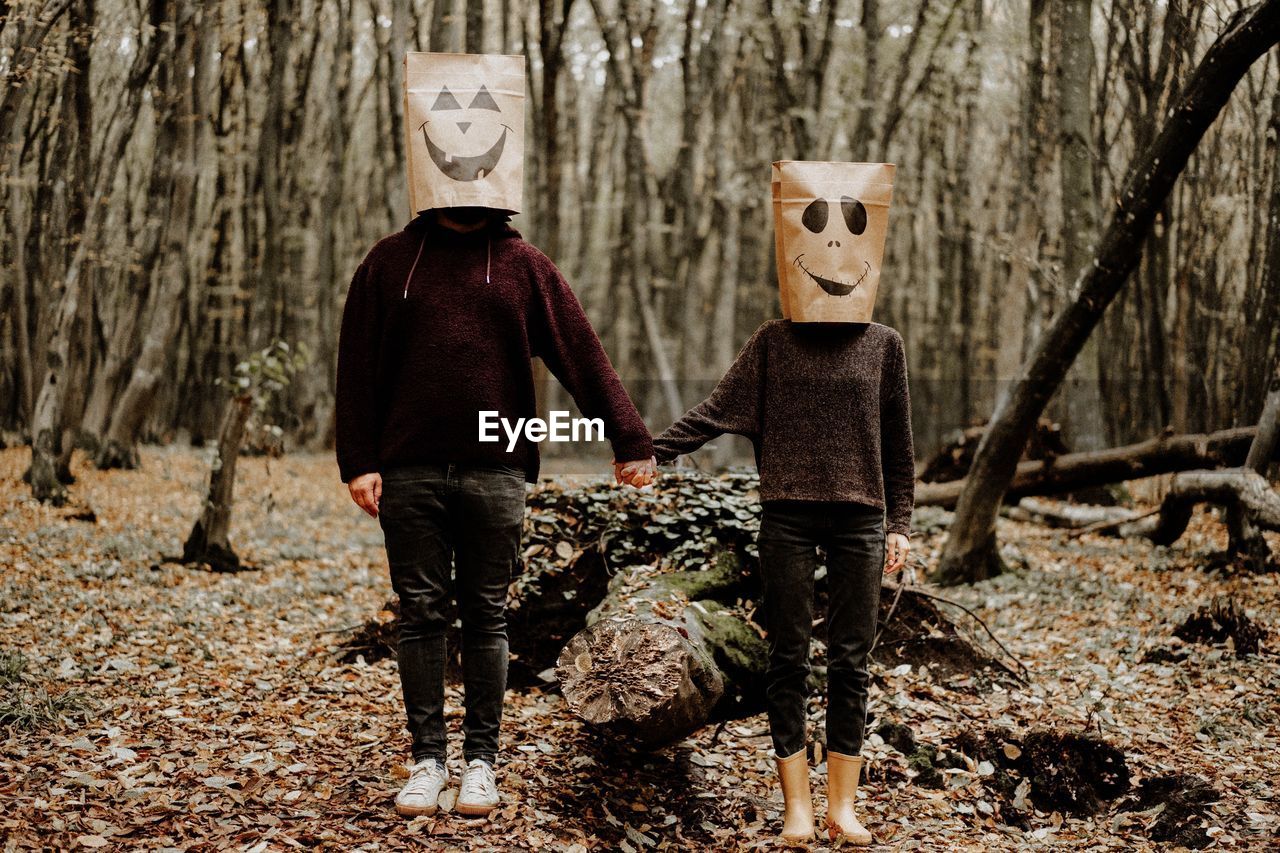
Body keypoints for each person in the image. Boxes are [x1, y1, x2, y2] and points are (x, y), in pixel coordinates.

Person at [335, 204, 656, 818]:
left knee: (486, 614)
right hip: (410, 469)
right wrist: (358, 459)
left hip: (498, 470)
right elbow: (356, 366)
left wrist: (630, 438)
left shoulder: (523, 266)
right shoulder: (389, 262)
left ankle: (480, 762)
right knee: (421, 613)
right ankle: (428, 760)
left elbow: (580, 353)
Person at [652, 317, 914, 845]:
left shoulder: (883, 344)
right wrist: (651, 451)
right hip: (786, 518)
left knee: (850, 660)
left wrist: (900, 522)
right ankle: (798, 806)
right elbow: (716, 411)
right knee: (788, 657)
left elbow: (898, 439)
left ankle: (842, 807)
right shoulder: (774, 341)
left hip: (860, 519)